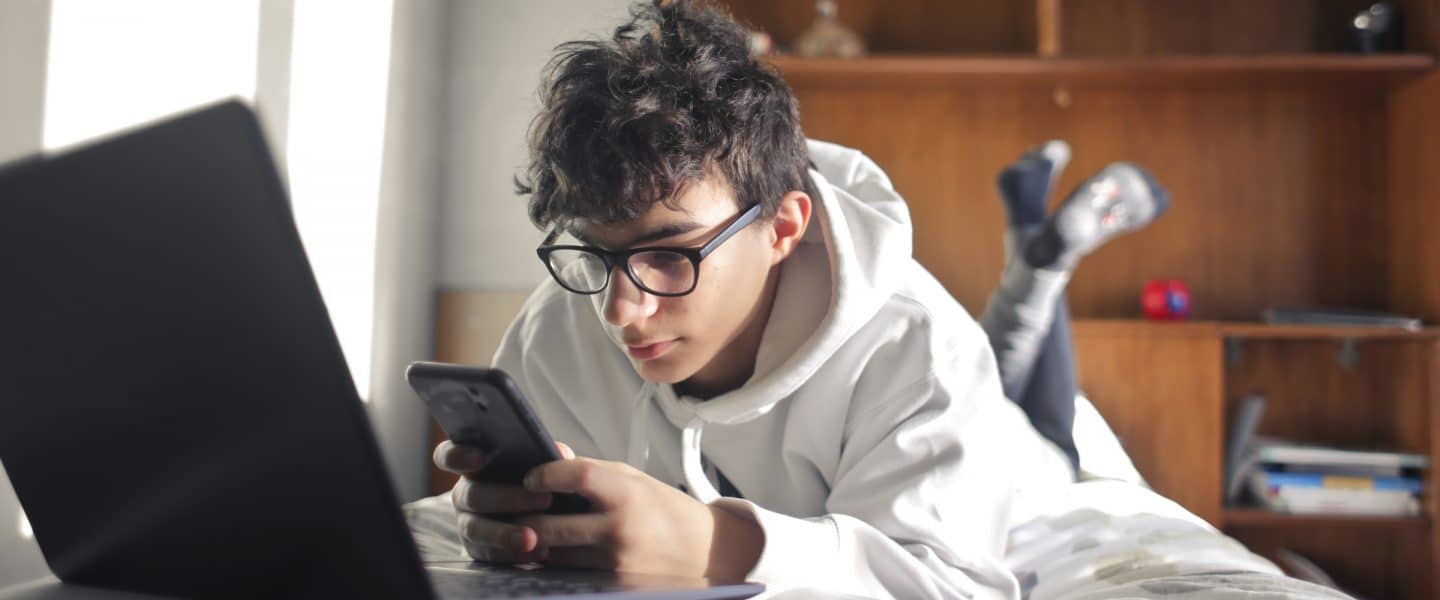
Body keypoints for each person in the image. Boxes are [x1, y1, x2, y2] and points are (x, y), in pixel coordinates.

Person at [420, 1, 1167, 597]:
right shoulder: (560, 323)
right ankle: (1035, 249)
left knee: (1045, 420)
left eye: (671, 256)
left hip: (1026, 463)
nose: (620, 311)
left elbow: (953, 583)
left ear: (783, 227)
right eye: (596, 253)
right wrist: (503, 522)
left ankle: (1039, 264)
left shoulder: (921, 346)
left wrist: (719, 547)